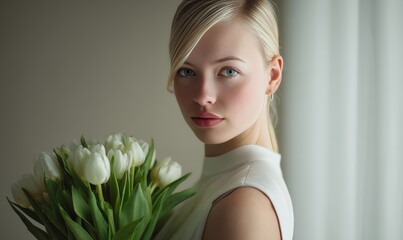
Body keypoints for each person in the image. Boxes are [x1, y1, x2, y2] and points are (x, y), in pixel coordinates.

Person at [156, 0, 294, 239]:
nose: (202, 96)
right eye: (186, 71)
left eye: (229, 71)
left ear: (272, 76)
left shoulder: (244, 208)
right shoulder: (226, 185)